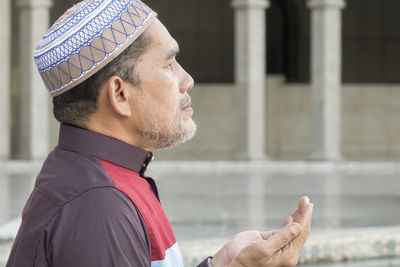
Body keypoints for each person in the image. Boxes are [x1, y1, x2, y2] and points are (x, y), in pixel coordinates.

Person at [6, 0, 313, 266]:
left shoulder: (104, 180)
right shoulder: (98, 207)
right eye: (168, 65)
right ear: (120, 94)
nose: (187, 80)